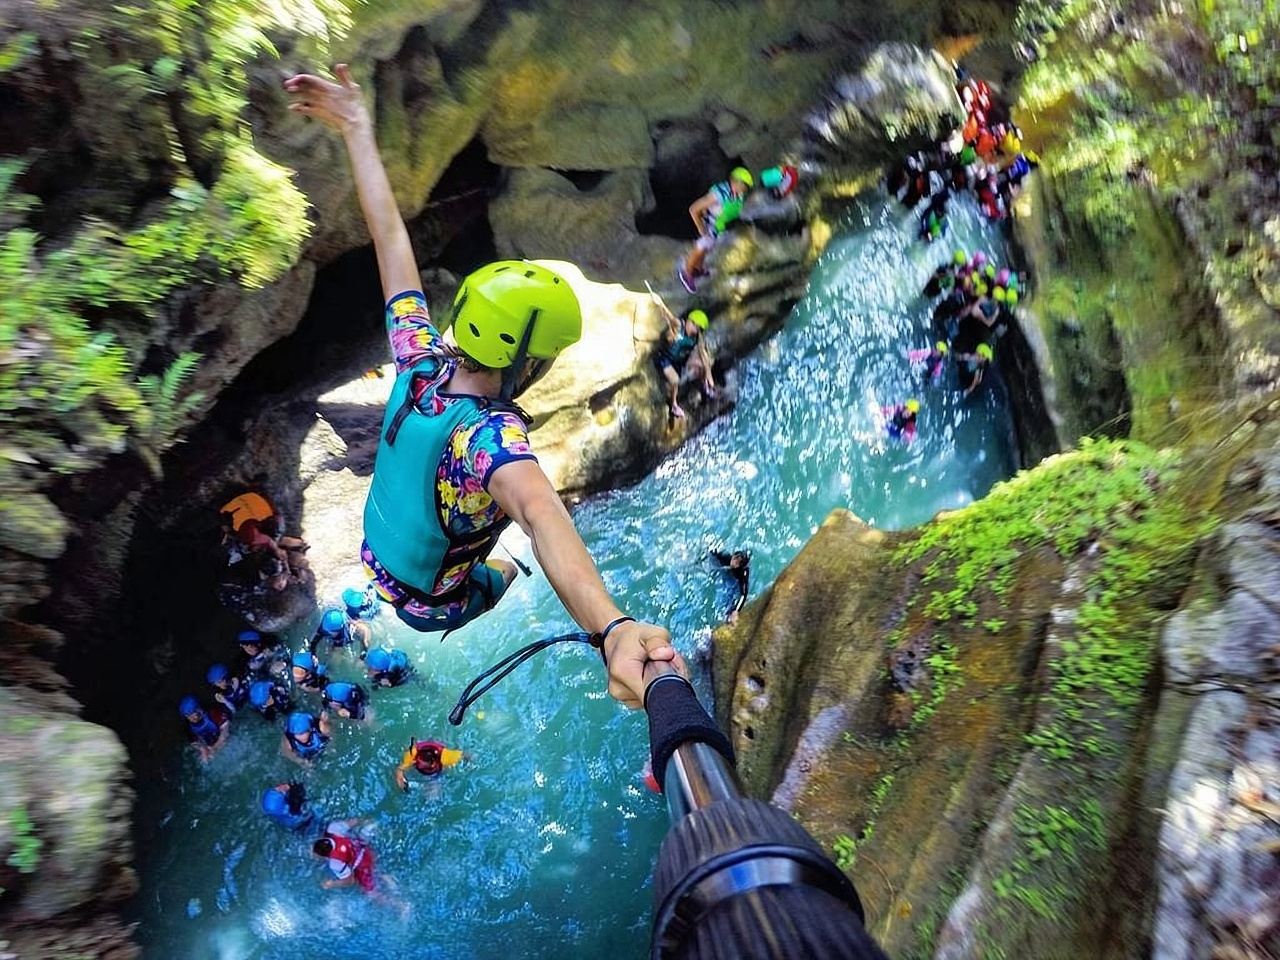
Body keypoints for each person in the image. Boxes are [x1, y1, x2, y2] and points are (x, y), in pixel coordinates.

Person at [283, 64, 681, 707]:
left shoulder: (419, 356)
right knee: (512, 566)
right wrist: (611, 628)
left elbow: (391, 241)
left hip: (377, 557)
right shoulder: (487, 440)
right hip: (431, 604)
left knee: (507, 539)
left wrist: (357, 128)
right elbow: (541, 510)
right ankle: (504, 573)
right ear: (523, 360)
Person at [677, 166, 754, 292]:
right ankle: (687, 273)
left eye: (746, 187)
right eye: (744, 186)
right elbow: (694, 209)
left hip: (717, 226)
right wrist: (702, 229)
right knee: (700, 248)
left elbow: (732, 211)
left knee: (707, 248)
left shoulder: (737, 195)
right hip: (707, 224)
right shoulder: (718, 194)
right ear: (735, 182)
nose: (745, 190)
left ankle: (698, 269)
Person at [652, 300, 715, 421]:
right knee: (675, 380)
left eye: (699, 329)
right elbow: (669, 316)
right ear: (690, 322)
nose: (696, 330)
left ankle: (706, 387)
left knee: (704, 364)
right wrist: (660, 303)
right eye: (696, 326)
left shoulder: (697, 337)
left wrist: (709, 376)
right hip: (666, 359)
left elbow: (703, 354)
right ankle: (674, 405)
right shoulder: (679, 325)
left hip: (681, 360)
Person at [313, 820, 376, 893]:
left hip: (363, 866)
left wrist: (331, 884)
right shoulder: (333, 829)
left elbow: (349, 881)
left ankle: (391, 903)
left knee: (371, 893)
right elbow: (355, 821)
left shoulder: (335, 863)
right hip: (367, 850)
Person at [395, 738, 463, 791]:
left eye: (423, 765)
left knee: (433, 794)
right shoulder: (412, 754)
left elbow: (464, 755)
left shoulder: (445, 757)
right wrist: (400, 779)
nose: (420, 765)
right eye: (419, 763)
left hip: (438, 757)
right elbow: (400, 770)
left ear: (433, 763)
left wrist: (471, 760)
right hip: (422, 746)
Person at [179, 696, 230, 762]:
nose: (190, 717)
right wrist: (202, 749)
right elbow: (194, 742)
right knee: (204, 759)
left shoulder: (212, 713)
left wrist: (215, 747)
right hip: (208, 742)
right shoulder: (187, 725)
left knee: (225, 744)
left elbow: (225, 730)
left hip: (221, 736)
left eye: (192, 714)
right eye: (187, 715)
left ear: (198, 709)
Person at [708, 550, 751, 624]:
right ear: (733, 556)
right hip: (728, 571)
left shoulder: (743, 573)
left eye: (737, 562)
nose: (734, 562)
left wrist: (736, 611)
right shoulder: (727, 558)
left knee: (732, 599)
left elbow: (743, 594)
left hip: (736, 579)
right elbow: (712, 553)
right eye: (735, 558)